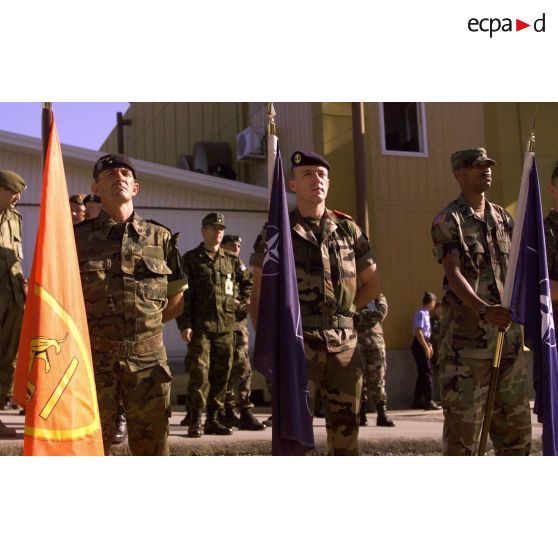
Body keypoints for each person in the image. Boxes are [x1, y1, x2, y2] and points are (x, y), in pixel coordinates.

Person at [250, 150, 380, 455]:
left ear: (329, 183)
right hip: (298, 350)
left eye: (321, 175)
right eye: (307, 174)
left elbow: (372, 284)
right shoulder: (276, 233)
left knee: (346, 438)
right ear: (293, 184)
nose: (316, 180)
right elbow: (258, 297)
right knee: (297, 439)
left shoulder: (348, 230)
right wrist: (273, 344)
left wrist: (343, 315)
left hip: (344, 350)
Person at [74, 154, 186, 455]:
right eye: (109, 174)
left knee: (152, 452)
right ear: (95, 188)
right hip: (95, 364)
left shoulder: (160, 237)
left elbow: (175, 299)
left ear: (135, 187)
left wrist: (145, 331)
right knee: (91, 451)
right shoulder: (77, 239)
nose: (118, 177)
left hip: (149, 365)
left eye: (125, 173)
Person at [431, 147, 531, 456]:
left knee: (515, 437)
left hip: (508, 342)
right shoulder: (449, 220)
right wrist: (484, 310)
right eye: (477, 167)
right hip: (468, 347)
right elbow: (453, 273)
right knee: (464, 443)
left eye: (488, 165)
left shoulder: (503, 217)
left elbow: (519, 269)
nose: (486, 170)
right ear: (459, 174)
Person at [177, 213, 252, 438]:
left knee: (222, 374)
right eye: (213, 228)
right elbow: (183, 296)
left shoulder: (231, 259)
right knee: (199, 374)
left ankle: (213, 418)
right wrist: (184, 324)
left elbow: (247, 281)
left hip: (226, 326)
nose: (218, 231)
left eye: (220, 228)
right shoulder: (191, 259)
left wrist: (242, 301)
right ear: (203, 231)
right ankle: (196, 420)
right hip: (201, 327)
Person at [220, 234, 265, 431]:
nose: (237, 248)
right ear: (223, 246)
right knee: (224, 369)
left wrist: (246, 300)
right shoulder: (217, 264)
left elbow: (250, 285)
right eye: (233, 245)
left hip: (239, 326)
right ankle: (228, 410)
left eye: (239, 245)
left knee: (244, 367)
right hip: (219, 326)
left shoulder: (240, 266)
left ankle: (245, 409)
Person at [0, 170, 27, 437]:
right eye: (12, 191)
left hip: (12, 297)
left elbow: (16, 258)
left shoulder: (15, 219)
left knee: (7, 357)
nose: (17, 197)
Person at [354, 293, 395, 427]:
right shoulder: (354, 294)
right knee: (358, 380)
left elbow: (380, 313)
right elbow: (348, 314)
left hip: (375, 344)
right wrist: (366, 314)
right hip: (356, 343)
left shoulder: (378, 296)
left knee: (378, 379)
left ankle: (381, 414)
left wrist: (359, 314)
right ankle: (361, 415)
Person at [411, 292, 441, 411]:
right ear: (431, 302)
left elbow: (427, 334)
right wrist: (425, 347)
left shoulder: (426, 314)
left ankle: (417, 399)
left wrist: (430, 346)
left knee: (423, 372)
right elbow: (419, 332)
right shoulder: (421, 313)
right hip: (419, 344)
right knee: (427, 372)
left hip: (425, 342)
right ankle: (429, 400)